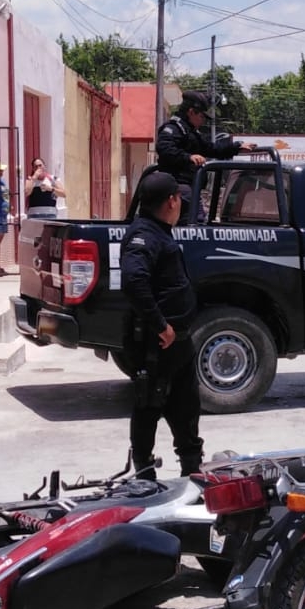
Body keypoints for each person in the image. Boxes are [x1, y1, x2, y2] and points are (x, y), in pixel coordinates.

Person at [120, 171, 202, 480]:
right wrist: (160, 325)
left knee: (186, 408)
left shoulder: (160, 231)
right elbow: (133, 280)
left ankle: (192, 472)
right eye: (180, 197)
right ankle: (144, 475)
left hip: (178, 343)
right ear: (171, 201)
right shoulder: (144, 236)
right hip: (157, 343)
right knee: (149, 407)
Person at [153, 90, 256, 224]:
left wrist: (235, 147)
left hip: (190, 186)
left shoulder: (190, 131)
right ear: (191, 112)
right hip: (177, 185)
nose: (203, 121)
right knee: (196, 224)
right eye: (201, 116)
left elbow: (210, 148)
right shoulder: (173, 129)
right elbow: (164, 148)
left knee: (196, 220)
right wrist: (188, 157)